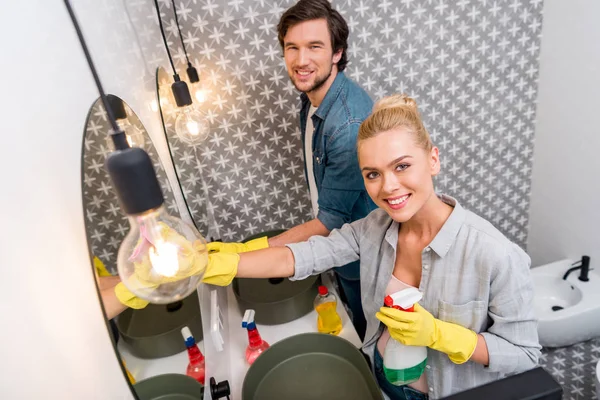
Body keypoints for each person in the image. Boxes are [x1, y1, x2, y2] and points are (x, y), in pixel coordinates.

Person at [205, 94, 541, 399]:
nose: (389, 187)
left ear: (433, 160)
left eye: (402, 166)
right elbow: (305, 255)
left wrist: (444, 336)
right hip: (383, 372)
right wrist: (227, 260)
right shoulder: (374, 228)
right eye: (372, 174)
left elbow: (525, 355)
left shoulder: (494, 254)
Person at [208, 0, 377, 341]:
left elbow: (329, 221)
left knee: (369, 338)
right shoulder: (313, 96)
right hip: (340, 247)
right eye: (292, 47)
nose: (301, 61)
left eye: (315, 46)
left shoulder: (347, 125)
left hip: (363, 260)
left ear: (336, 52)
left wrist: (243, 252)